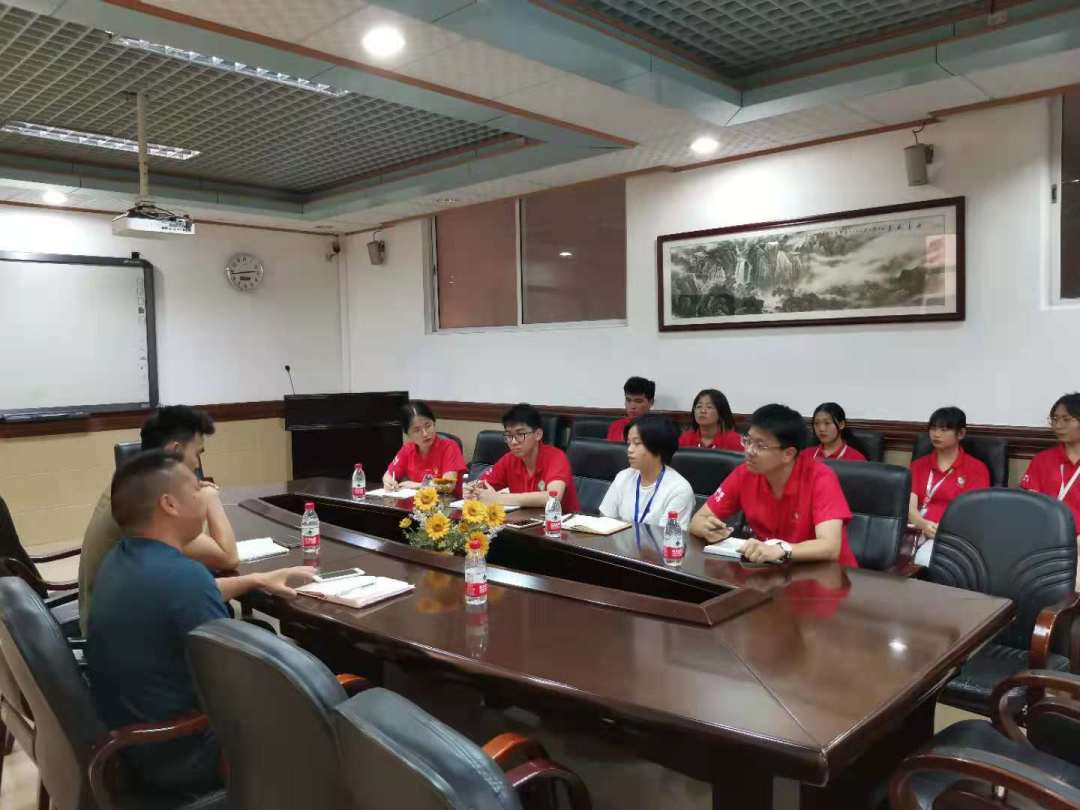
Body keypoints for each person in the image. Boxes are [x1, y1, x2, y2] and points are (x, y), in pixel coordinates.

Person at [87, 450, 313, 799]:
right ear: (170, 504)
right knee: (313, 710)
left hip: (130, 741)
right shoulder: (184, 578)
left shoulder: (122, 559)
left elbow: (176, 595)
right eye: (196, 489)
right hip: (183, 755)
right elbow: (235, 688)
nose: (206, 495)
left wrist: (255, 580)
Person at [79, 406, 239, 633]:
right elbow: (227, 557)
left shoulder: (130, 485)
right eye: (197, 453)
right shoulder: (150, 504)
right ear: (175, 451)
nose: (197, 464)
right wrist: (210, 497)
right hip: (125, 629)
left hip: (118, 613)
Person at [689, 404, 858, 566]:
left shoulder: (820, 478)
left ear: (788, 454)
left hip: (828, 575)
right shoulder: (745, 473)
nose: (749, 451)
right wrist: (706, 528)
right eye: (748, 441)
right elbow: (697, 520)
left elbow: (829, 547)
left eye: (760, 445)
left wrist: (782, 549)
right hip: (774, 571)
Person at [467, 403, 581, 512]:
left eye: (520, 434)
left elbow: (553, 497)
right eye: (509, 435)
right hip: (524, 521)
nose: (513, 442)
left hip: (560, 522)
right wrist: (472, 490)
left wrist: (499, 498)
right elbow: (482, 486)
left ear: (538, 434)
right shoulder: (509, 459)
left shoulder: (556, 457)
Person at [907, 406, 990, 539]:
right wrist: (922, 524)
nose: (936, 434)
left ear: (961, 433)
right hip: (916, 530)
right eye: (933, 428)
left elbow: (972, 513)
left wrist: (942, 531)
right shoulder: (918, 465)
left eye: (944, 429)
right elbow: (910, 507)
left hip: (953, 535)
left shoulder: (977, 469)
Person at [599, 415, 695, 530]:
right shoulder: (624, 476)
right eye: (629, 443)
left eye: (637, 443)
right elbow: (605, 520)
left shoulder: (679, 489)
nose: (629, 449)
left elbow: (668, 537)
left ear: (658, 446)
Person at [1020, 393, 1080, 543]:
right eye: (1054, 419)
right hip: (1045, 537)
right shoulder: (1042, 460)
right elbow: (1029, 504)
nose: (1058, 426)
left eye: (1066, 419)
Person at [383, 401, 467, 491]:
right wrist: (388, 482)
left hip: (448, 499)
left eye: (428, 426)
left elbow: (448, 485)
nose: (425, 434)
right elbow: (388, 475)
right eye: (417, 430)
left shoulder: (449, 446)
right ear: (408, 434)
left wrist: (418, 485)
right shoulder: (407, 449)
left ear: (434, 423)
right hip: (418, 499)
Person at [678, 389, 743, 451]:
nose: (702, 411)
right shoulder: (685, 439)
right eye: (699, 406)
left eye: (709, 407)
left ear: (721, 412)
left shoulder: (734, 440)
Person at [802, 402, 867, 462]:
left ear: (841, 424)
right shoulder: (806, 455)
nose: (821, 429)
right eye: (816, 423)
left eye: (827, 423)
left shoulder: (857, 459)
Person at [606, 376, 656, 442]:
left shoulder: (658, 429)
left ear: (651, 402)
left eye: (638, 401)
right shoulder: (616, 425)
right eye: (628, 400)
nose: (632, 406)